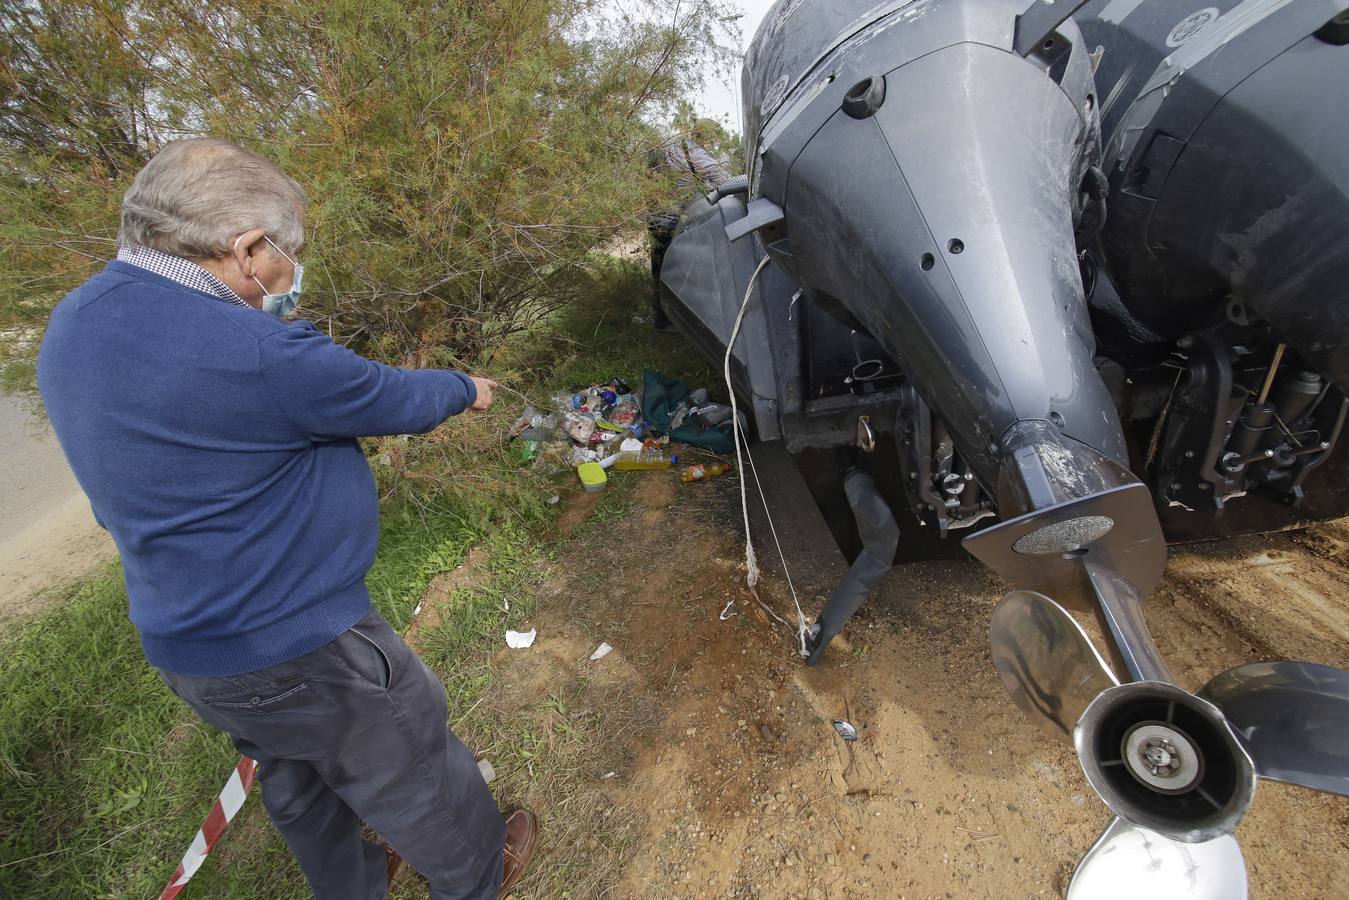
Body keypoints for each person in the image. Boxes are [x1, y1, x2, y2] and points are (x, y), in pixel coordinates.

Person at [36, 138, 537, 899]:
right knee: (407, 760)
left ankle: (355, 883)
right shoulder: (253, 349)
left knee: (296, 774)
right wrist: (465, 386)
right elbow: (388, 396)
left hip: (188, 645)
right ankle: (475, 874)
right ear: (245, 250)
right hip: (301, 641)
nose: (290, 275)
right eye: (287, 255)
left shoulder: (74, 324)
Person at [647, 132, 733, 330]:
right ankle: (683, 320)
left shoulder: (664, 148)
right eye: (714, 141)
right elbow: (723, 178)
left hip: (654, 219)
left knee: (659, 270)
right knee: (680, 271)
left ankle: (663, 319)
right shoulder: (691, 151)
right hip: (674, 223)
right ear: (708, 138)